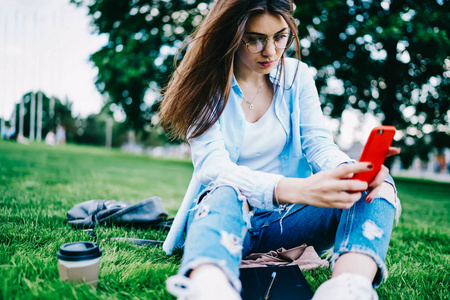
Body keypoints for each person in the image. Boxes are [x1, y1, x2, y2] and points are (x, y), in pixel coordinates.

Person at [159, 1, 401, 299]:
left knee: (372, 182)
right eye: (255, 39)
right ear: (230, 36)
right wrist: (294, 189)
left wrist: (351, 169)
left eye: (280, 37)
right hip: (228, 218)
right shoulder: (207, 84)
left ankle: (349, 286)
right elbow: (213, 167)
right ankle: (210, 288)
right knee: (223, 189)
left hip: (288, 225)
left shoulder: (297, 76)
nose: (271, 51)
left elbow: (317, 143)